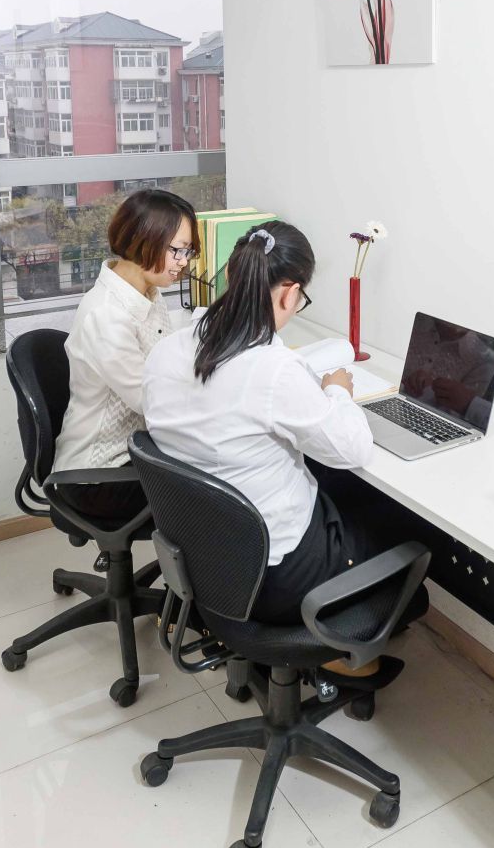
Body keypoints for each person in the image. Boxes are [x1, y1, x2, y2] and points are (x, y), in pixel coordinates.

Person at [144, 220, 394, 675]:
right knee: (391, 520)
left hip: (207, 563)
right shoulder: (273, 369)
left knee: (333, 486)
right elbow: (354, 449)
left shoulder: (167, 351)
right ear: (289, 294)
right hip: (275, 581)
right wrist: (337, 391)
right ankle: (345, 651)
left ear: (232, 275)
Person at [50, 188, 198, 523]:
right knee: (222, 488)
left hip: (138, 450)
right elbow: (153, 402)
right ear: (143, 240)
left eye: (188, 251)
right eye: (177, 250)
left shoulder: (146, 292)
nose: (184, 262)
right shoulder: (107, 315)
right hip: (100, 476)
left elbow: (163, 364)